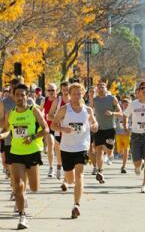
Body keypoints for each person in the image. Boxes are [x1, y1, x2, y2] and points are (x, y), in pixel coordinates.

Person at [0, 83, 49, 229]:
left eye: (23, 95)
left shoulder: (34, 111)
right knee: (18, 185)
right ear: (13, 96)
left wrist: (33, 137)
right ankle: (22, 216)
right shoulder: (11, 113)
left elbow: (46, 129)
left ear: (27, 96)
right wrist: (2, 135)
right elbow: (9, 130)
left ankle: (25, 194)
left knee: (34, 187)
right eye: (17, 95)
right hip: (16, 152)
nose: (20, 98)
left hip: (32, 151)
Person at [51, 83, 98, 219]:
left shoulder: (88, 110)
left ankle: (76, 204)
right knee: (70, 179)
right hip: (66, 148)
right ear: (70, 95)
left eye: (79, 93)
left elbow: (95, 124)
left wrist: (94, 125)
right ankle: (69, 182)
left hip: (82, 147)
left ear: (82, 94)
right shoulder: (64, 109)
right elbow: (53, 125)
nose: (77, 96)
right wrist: (63, 129)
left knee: (79, 175)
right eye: (74, 93)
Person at [89, 81, 122, 184]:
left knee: (108, 150)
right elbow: (89, 111)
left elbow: (121, 113)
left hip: (110, 129)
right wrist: (90, 96)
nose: (100, 89)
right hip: (98, 129)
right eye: (98, 87)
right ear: (97, 89)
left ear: (106, 88)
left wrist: (112, 112)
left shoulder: (112, 99)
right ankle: (100, 171)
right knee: (98, 150)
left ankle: (110, 155)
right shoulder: (94, 100)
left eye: (102, 87)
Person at [47, 81, 70, 181]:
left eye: (67, 89)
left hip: (71, 131)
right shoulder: (57, 100)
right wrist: (58, 120)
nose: (66, 92)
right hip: (59, 131)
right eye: (64, 90)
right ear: (61, 90)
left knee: (69, 153)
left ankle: (67, 174)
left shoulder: (76, 100)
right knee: (60, 153)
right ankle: (59, 166)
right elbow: (49, 115)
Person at [40, 83, 57, 177]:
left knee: (59, 149)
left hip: (59, 127)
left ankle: (60, 165)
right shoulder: (45, 100)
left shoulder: (59, 100)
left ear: (56, 91)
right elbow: (39, 110)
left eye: (52, 90)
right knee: (50, 144)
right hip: (49, 127)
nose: (50, 92)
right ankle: (51, 168)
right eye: (49, 90)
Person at [115, 97, 132, 174]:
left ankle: (123, 166)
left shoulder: (132, 113)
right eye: (124, 105)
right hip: (119, 133)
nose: (125, 106)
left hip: (127, 134)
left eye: (127, 105)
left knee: (126, 149)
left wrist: (130, 129)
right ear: (122, 105)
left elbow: (134, 123)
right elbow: (115, 122)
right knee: (120, 150)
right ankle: (123, 157)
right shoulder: (120, 113)